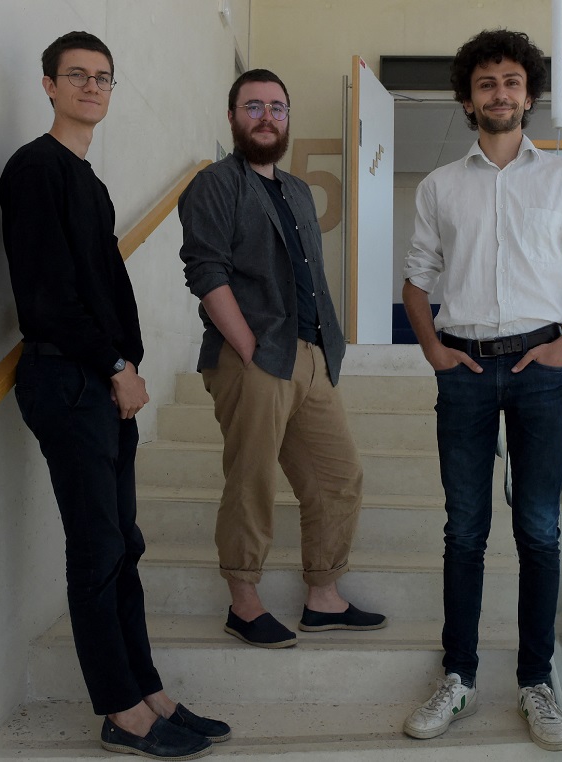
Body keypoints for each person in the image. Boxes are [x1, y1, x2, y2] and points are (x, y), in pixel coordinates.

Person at [0, 31, 229, 761]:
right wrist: (114, 365)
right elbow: (45, 298)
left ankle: (148, 689)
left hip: (101, 382)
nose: (92, 88)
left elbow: (95, 291)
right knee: (97, 546)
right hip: (67, 377)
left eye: (103, 78)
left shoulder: (88, 182)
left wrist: (121, 369)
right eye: (77, 76)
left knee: (123, 544)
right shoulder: (34, 170)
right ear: (49, 85)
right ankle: (120, 710)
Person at [400, 29, 562, 752]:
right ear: (469, 98)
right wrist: (433, 348)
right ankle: (458, 678)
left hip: (537, 373)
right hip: (463, 370)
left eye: (512, 82)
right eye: (487, 83)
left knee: (540, 531)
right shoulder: (440, 185)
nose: (501, 93)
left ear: (529, 94)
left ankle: (536, 681)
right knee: (464, 532)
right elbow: (417, 280)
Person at [178, 69, 386, 649]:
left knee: (339, 477)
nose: (267, 116)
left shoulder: (296, 191)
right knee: (252, 480)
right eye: (254, 107)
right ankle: (243, 603)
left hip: (311, 355)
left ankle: (323, 597)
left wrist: (324, 348)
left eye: (277, 107)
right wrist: (246, 345)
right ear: (233, 117)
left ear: (287, 119)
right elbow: (206, 271)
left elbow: (309, 277)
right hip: (253, 355)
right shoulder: (215, 185)